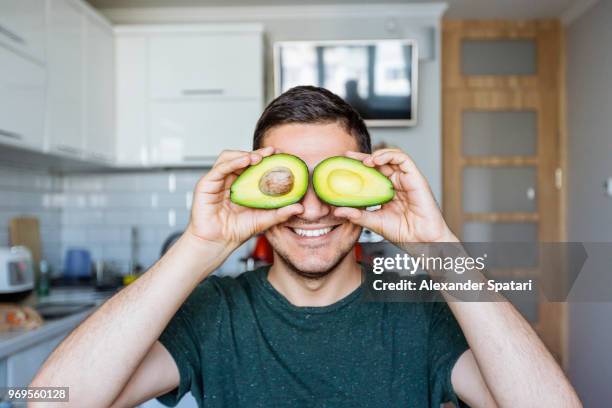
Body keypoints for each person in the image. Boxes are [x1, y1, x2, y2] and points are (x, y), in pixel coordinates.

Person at [31, 86, 580, 408]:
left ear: (369, 192)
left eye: (333, 184)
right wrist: (200, 246)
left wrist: (436, 244)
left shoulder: (421, 311)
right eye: (287, 185)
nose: (313, 210)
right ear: (256, 192)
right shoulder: (212, 313)